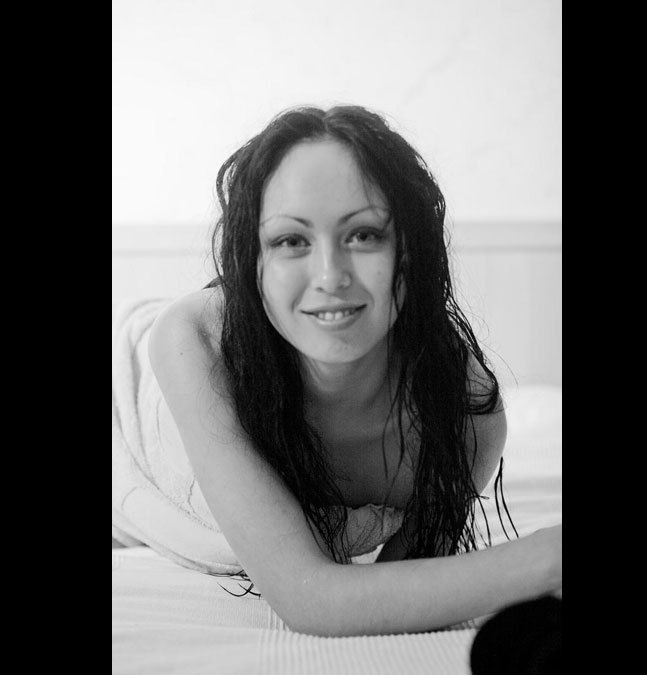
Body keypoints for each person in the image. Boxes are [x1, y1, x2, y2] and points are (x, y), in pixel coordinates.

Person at [144, 105, 562, 637]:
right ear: (253, 263)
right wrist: (545, 558)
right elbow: (311, 601)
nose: (330, 276)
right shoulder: (193, 338)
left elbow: (400, 592)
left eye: (363, 235)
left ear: (411, 251)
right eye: (290, 241)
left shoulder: (463, 415)